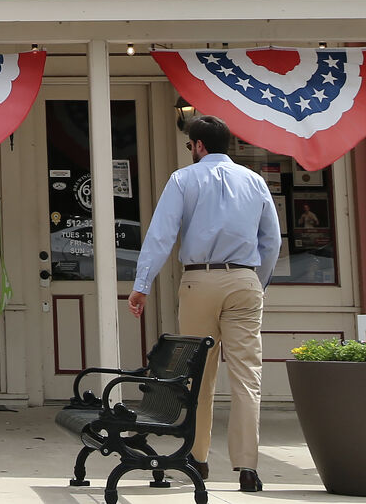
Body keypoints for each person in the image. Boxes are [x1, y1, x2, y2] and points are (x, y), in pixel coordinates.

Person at [128, 114, 280, 493]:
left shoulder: (184, 179)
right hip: (245, 278)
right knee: (248, 377)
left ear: (198, 146)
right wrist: (255, 283)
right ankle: (247, 468)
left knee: (199, 375)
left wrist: (141, 285)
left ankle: (198, 458)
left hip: (200, 278)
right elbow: (272, 241)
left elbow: (162, 235)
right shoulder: (256, 181)